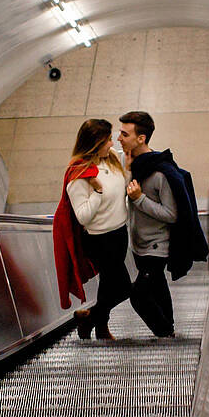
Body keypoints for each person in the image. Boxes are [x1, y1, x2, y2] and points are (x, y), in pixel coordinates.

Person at [57, 118, 131, 340]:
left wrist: (129, 168)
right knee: (123, 287)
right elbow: (83, 216)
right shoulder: (79, 174)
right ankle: (90, 317)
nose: (112, 144)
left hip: (119, 233)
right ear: (95, 143)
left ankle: (99, 328)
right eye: (107, 140)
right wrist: (97, 192)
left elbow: (121, 185)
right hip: (100, 240)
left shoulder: (111, 158)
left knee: (108, 285)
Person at [117, 110, 180, 338]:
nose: (119, 138)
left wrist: (139, 199)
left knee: (139, 295)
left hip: (156, 246)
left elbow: (171, 214)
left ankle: (164, 333)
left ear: (141, 138)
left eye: (125, 134)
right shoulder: (128, 164)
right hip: (138, 244)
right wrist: (127, 171)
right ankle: (169, 328)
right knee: (157, 286)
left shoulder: (159, 172)